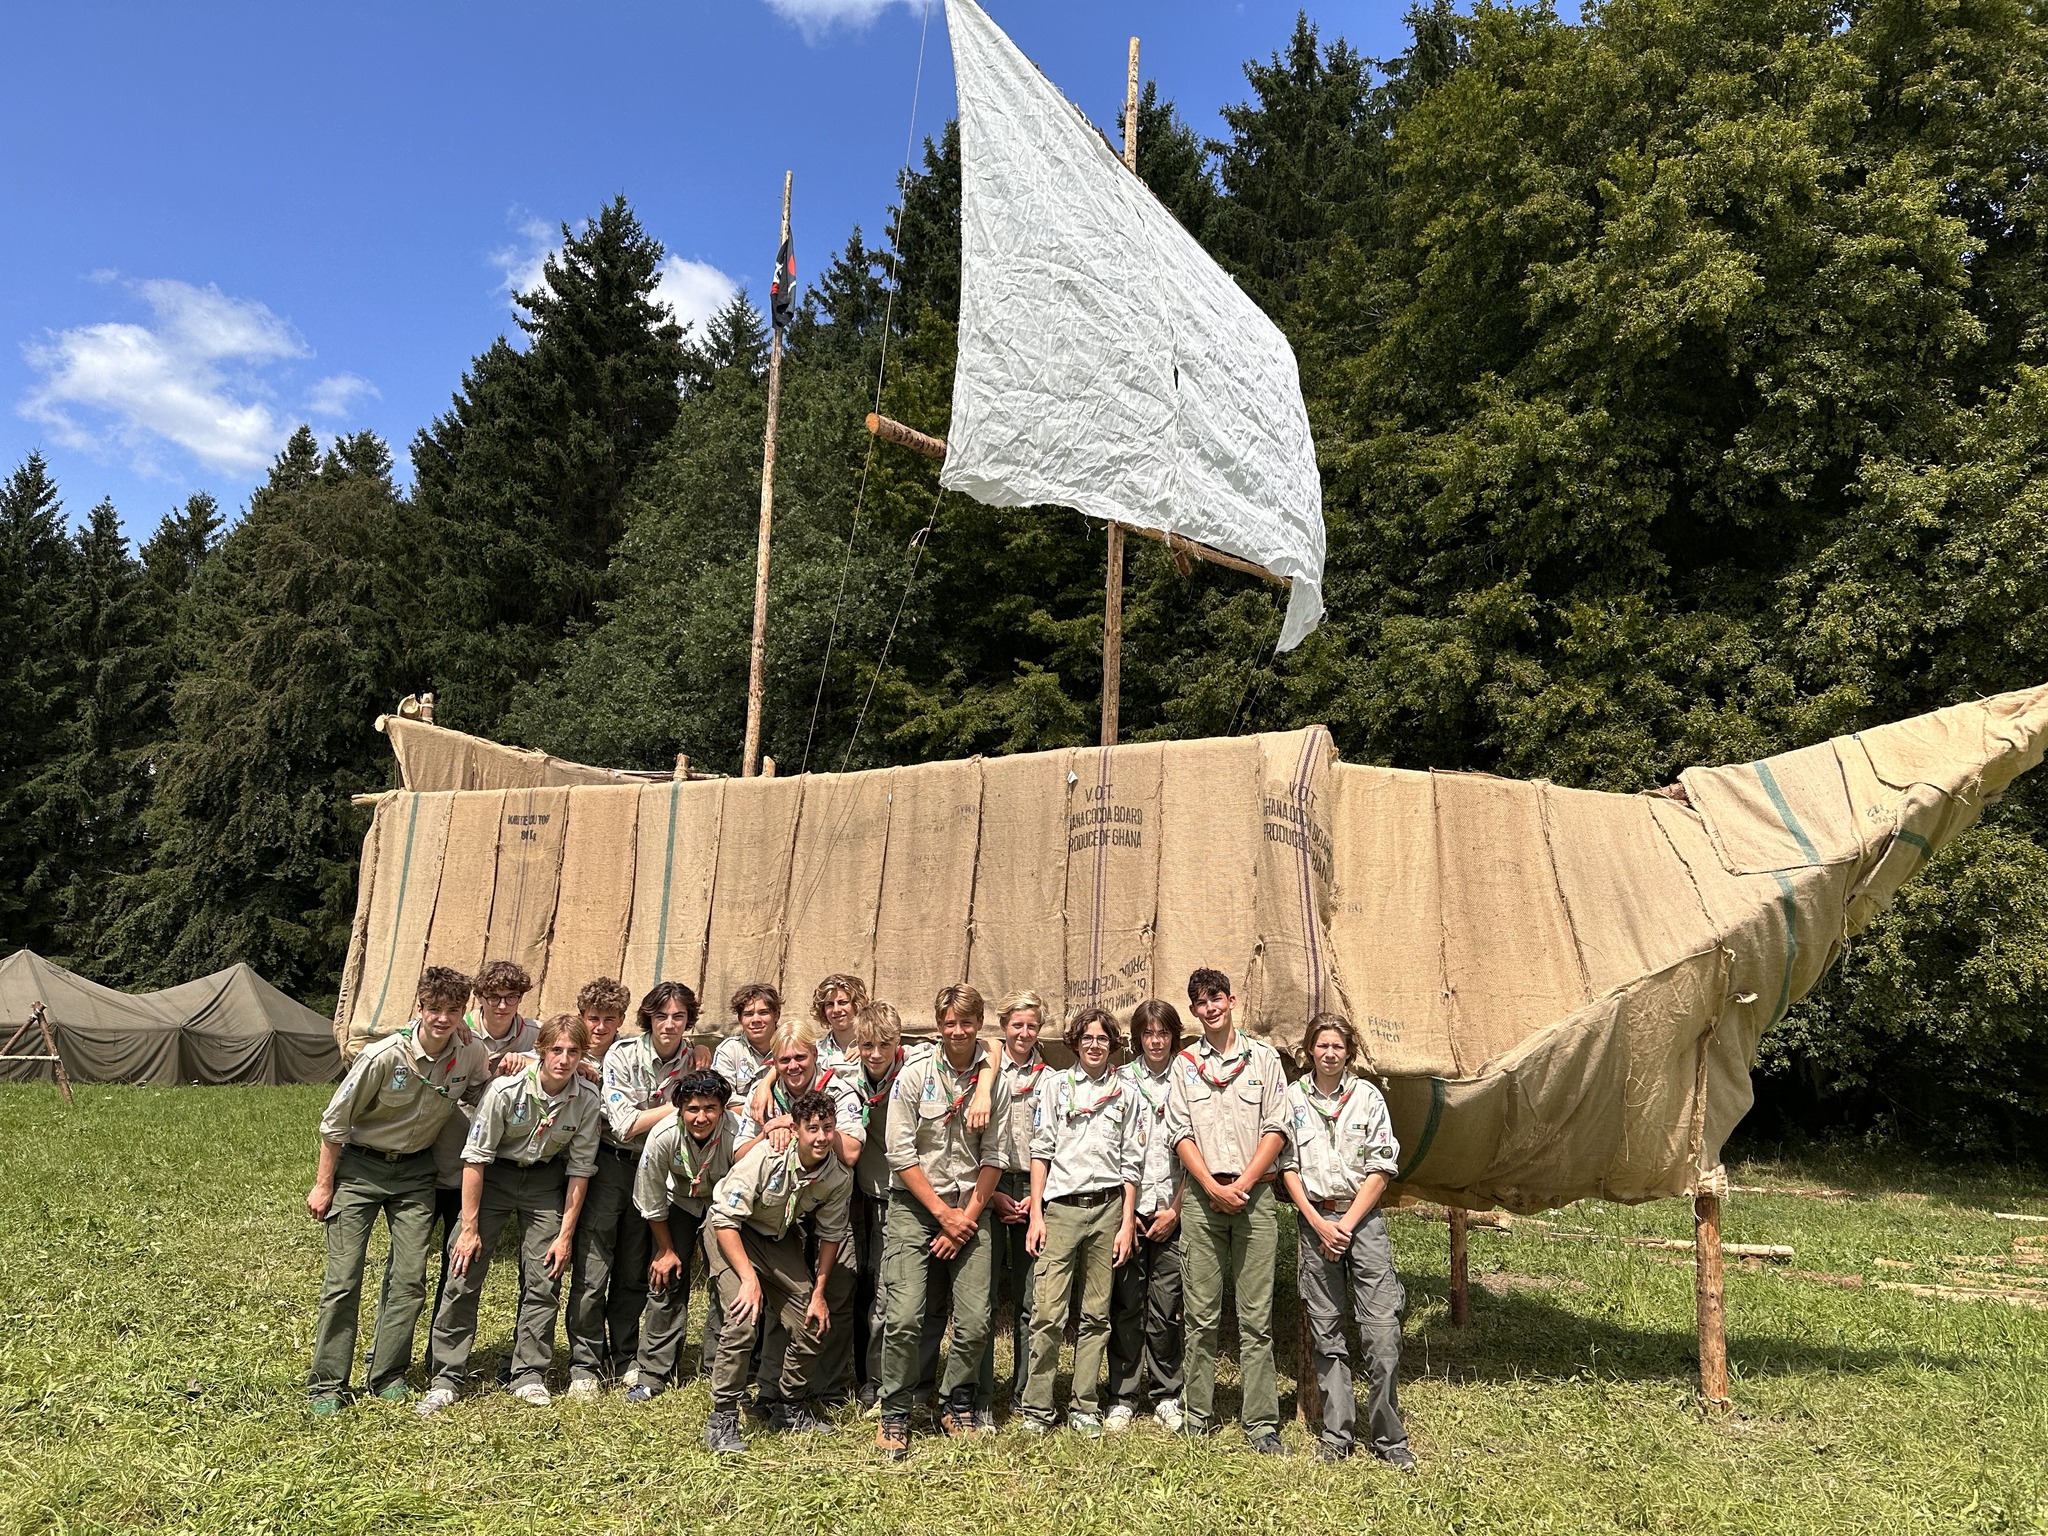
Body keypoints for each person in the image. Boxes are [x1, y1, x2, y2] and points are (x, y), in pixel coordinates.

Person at [304, 967, 491, 1414]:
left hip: (416, 1174)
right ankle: (327, 1384)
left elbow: (484, 1092)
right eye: (434, 1009)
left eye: (452, 1010)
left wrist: (524, 1068)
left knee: (409, 1280)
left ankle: (387, 1374)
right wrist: (324, 1185)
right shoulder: (383, 1056)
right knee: (343, 1280)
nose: (442, 1018)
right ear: (419, 1008)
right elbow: (334, 1123)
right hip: (361, 1170)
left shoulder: (470, 1052)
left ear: (463, 1012)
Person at [418, 1014, 603, 1414]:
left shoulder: (587, 1098)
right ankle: (447, 1376)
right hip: (494, 1177)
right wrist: (469, 1227)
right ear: (541, 1051)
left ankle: (528, 1374)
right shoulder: (506, 1090)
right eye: (556, 1050)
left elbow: (580, 1169)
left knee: (545, 1277)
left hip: (544, 1181)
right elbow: (475, 1157)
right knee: (463, 1268)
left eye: (573, 1052)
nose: (564, 1059)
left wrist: (565, 1236)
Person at [876, 983, 1010, 1458]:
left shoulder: (994, 1083)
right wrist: (941, 1215)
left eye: (966, 1023)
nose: (958, 1031)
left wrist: (964, 1219)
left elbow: (995, 1157)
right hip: (916, 1208)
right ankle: (895, 1410)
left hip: (971, 1208)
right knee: (904, 1316)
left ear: (979, 1025)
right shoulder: (914, 1075)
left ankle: (956, 1401)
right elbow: (899, 1153)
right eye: (949, 1023)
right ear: (938, 1025)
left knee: (975, 1321)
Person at [1278, 1013, 1415, 1469]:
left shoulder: (1368, 1098)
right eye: (1322, 1045)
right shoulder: (1293, 1098)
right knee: (1326, 1330)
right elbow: (1287, 1166)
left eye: (1338, 1046)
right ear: (1309, 1050)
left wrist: (1346, 1225)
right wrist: (1319, 1223)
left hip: (1363, 1220)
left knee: (1382, 1331)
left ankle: (1389, 1437)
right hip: (1315, 1219)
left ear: (1348, 1052)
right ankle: (1337, 1434)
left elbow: (1381, 1168)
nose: (1330, 1053)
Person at [1163, 966, 1289, 1453]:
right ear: (1194, 1010)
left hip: (1254, 1196)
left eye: (1216, 998)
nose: (1210, 1008)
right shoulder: (1184, 1065)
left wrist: (1244, 1183)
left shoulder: (1264, 1059)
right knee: (1200, 1315)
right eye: (1201, 1002)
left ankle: (1261, 1423)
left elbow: (1277, 1127)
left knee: (1256, 1318)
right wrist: (1211, 1188)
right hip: (1202, 1199)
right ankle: (1197, 1414)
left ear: (1231, 1001)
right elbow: (1180, 1132)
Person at [702, 1090, 855, 1453]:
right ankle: (723, 1417)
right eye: (812, 1128)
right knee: (742, 1317)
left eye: (828, 1128)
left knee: (812, 1322)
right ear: (796, 1129)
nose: (821, 1137)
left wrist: (818, 1294)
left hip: (777, 1237)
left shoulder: (837, 1176)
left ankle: (788, 1406)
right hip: (732, 1233)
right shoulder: (767, 1156)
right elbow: (724, 1218)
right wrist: (749, 1279)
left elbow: (831, 1235)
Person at [1019, 1006, 1141, 1436]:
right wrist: (1036, 1214)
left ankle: (1083, 1404)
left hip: (1107, 1209)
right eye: (1087, 1038)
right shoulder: (1055, 1087)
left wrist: (1127, 1222)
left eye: (1103, 1038)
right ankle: (1037, 1406)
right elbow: (1041, 1151)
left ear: (1113, 1045)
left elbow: (1131, 1163)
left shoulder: (1126, 1093)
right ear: (1075, 1043)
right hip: (1062, 1209)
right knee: (1048, 1312)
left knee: (1096, 1314)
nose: (1094, 1045)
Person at [569, 980, 696, 1394]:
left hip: (657, 1169)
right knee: (593, 1267)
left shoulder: (694, 1061)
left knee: (633, 1267)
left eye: (678, 1017)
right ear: (647, 1019)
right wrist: (680, 1105)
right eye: (661, 1016)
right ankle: (585, 1363)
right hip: (613, 1164)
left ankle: (625, 1355)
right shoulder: (623, 1055)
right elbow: (624, 1125)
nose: (669, 1024)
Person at [737, 1024, 866, 1415]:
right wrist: (770, 1129)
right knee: (784, 1301)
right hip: (780, 1213)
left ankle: (828, 1389)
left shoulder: (839, 1089)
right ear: (773, 1063)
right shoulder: (763, 1095)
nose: (793, 1066)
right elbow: (738, 1156)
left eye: (800, 1057)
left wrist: (804, 1127)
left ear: (815, 1056)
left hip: (830, 1201)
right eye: (784, 1060)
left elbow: (851, 1152)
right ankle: (772, 1391)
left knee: (835, 1294)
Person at [419, 961, 540, 1375]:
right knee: (417, 1264)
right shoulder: (456, 1024)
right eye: (493, 997)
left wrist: (530, 1059)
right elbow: (414, 1034)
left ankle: (439, 1355)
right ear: (480, 998)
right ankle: (403, 1353)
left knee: (458, 1262)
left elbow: (573, 1051)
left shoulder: (533, 1034)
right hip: (443, 1153)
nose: (502, 1005)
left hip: (488, 1165)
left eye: (511, 997)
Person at [626, 1069, 736, 1403]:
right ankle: (653, 1373)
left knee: (726, 1282)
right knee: (665, 1279)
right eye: (693, 1109)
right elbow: (650, 1198)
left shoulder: (737, 1133)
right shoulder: (662, 1136)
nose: (701, 1118)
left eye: (710, 1108)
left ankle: (720, 1367)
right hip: (679, 1203)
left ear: (722, 1109)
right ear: (680, 1109)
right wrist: (666, 1250)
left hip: (722, 1207)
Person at [1107, 998, 1186, 1431]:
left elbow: (1199, 1152)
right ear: (1137, 1038)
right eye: (1148, 1034)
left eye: (1163, 1033)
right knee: (1126, 1304)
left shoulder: (1189, 1077)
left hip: (1173, 1207)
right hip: (1130, 1210)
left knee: (1166, 1306)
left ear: (1174, 1036)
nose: (1156, 1041)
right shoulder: (1120, 1080)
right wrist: (1127, 1212)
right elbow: (1112, 1148)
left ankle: (1166, 1392)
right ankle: (1122, 1394)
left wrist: (1175, 1209)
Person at [981, 989, 1048, 1426]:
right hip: (988, 1182)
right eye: (1017, 1025)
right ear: (1003, 1026)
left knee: (1030, 1300)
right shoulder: (985, 1070)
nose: (1024, 1033)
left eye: (1032, 1026)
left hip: (1034, 1186)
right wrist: (991, 1194)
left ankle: (1025, 1394)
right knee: (982, 1299)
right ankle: (981, 1395)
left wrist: (1036, 1198)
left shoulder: (1051, 1078)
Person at [712, 983, 781, 1112]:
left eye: (763, 1012)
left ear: (776, 1015)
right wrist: (763, 1109)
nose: (756, 1020)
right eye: (748, 1014)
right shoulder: (729, 1050)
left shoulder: (792, 1047)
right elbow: (722, 1099)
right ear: (740, 1019)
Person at [809, 972, 870, 1070]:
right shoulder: (815, 1051)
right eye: (830, 1004)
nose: (836, 1010)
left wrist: (868, 1048)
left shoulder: (876, 1049)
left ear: (856, 1005)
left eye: (842, 1002)